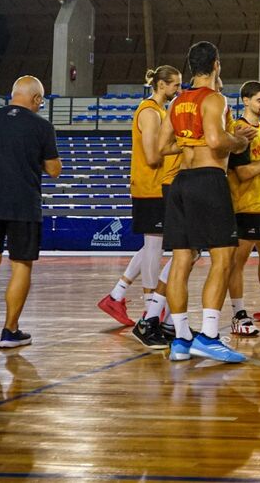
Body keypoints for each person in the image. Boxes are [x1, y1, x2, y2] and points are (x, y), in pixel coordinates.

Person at [157, 42, 257, 363]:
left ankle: (182, 339)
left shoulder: (177, 102)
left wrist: (191, 140)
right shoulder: (215, 99)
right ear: (216, 64)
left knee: (181, 259)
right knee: (223, 257)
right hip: (208, 180)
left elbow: (163, 146)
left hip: (181, 182)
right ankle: (210, 336)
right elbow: (216, 141)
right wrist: (239, 139)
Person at [0, 76, 62, 348]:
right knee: (21, 265)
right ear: (37, 99)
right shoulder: (42, 126)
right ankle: (10, 331)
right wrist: (29, 160)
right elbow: (53, 170)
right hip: (23, 203)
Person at [97, 67, 180, 348]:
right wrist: (183, 146)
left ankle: (117, 295)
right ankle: (149, 307)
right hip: (150, 185)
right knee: (155, 246)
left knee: (152, 245)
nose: (178, 90)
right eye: (174, 85)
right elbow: (152, 154)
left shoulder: (159, 111)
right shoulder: (149, 112)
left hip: (157, 186)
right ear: (161, 85)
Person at [224, 81, 260, 337]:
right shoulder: (240, 130)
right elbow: (244, 172)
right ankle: (238, 314)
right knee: (238, 263)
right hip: (246, 205)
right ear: (245, 101)